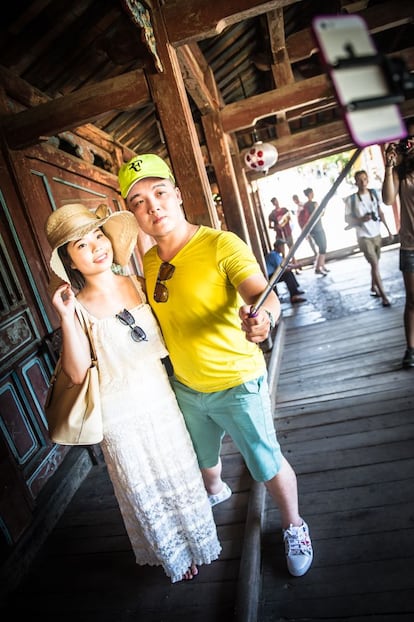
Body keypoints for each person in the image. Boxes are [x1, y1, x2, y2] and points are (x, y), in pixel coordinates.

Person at [118, 154, 314, 577]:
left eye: (159, 193)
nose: (152, 206)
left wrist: (264, 318)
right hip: (186, 387)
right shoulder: (149, 263)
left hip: (237, 381)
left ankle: (294, 524)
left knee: (266, 461)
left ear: (178, 194)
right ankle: (215, 490)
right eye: (138, 201)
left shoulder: (221, 244)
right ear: (133, 213)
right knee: (202, 458)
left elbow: (262, 294)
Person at [44, 203, 221, 583]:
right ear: (70, 263)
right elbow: (75, 373)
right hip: (119, 413)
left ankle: (197, 539)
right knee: (147, 484)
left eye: (98, 236)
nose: (96, 248)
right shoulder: (77, 308)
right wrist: (63, 316)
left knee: (179, 471)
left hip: (160, 398)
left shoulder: (138, 283)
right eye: (81, 246)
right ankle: (173, 554)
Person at [382, 117, 414, 368]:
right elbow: (387, 198)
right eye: (407, 140)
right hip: (410, 244)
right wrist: (388, 167)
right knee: (412, 299)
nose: (410, 143)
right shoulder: (400, 172)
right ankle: (411, 349)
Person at [344, 170, 392, 307]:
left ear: (368, 180)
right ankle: (384, 296)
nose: (363, 182)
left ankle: (373, 286)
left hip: (376, 233)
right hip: (363, 235)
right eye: (359, 180)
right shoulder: (351, 200)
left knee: (375, 264)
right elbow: (346, 218)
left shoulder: (374, 194)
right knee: (375, 264)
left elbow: (380, 212)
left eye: (365, 179)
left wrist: (388, 230)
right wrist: (360, 219)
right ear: (355, 182)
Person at [265, 240, 306, 305]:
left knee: (289, 272)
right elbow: (282, 269)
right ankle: (293, 297)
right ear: (277, 247)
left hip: (273, 275)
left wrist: (295, 266)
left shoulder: (277, 255)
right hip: (269, 277)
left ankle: (295, 291)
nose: (283, 248)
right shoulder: (273, 255)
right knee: (287, 274)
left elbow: (285, 265)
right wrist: (294, 267)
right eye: (282, 246)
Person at [303, 187, 329, 275]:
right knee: (322, 247)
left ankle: (321, 265)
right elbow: (320, 214)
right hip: (317, 228)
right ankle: (318, 267)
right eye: (312, 193)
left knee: (322, 247)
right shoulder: (313, 204)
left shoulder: (306, 206)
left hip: (314, 229)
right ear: (310, 194)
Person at [268, 197, 295, 261]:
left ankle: (294, 262)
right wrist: (276, 227)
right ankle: (284, 265)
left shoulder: (284, 210)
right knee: (282, 252)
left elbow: (290, 218)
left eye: (276, 201)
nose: (276, 203)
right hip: (280, 234)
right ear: (273, 204)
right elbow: (269, 226)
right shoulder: (272, 214)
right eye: (274, 202)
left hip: (287, 232)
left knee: (292, 249)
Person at [293, 193, 317, 258]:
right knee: (310, 239)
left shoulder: (303, 205)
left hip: (308, 223)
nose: (295, 201)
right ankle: (315, 252)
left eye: (296, 199)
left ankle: (318, 251)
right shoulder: (296, 209)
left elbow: (307, 214)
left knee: (314, 237)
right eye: (294, 200)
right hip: (303, 225)